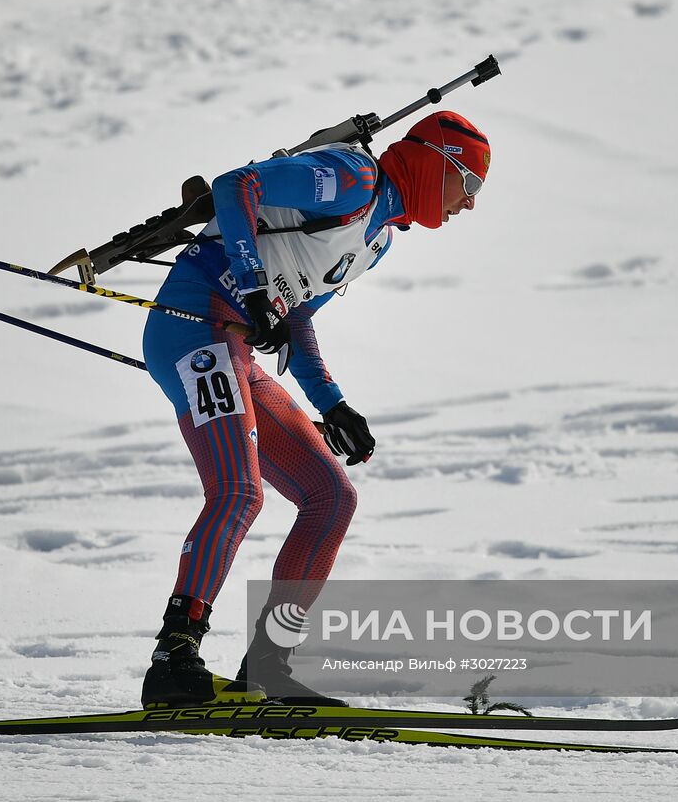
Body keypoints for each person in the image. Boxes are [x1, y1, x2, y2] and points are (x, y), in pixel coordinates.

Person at [139, 111, 491, 707]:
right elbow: (236, 187)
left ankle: (270, 666)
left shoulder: (376, 240)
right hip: (193, 328)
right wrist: (251, 286)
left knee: (332, 496)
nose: (470, 204)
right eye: (471, 185)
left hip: (239, 347)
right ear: (439, 163)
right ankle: (174, 656)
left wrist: (334, 403)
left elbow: (294, 313)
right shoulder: (352, 178)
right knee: (239, 492)